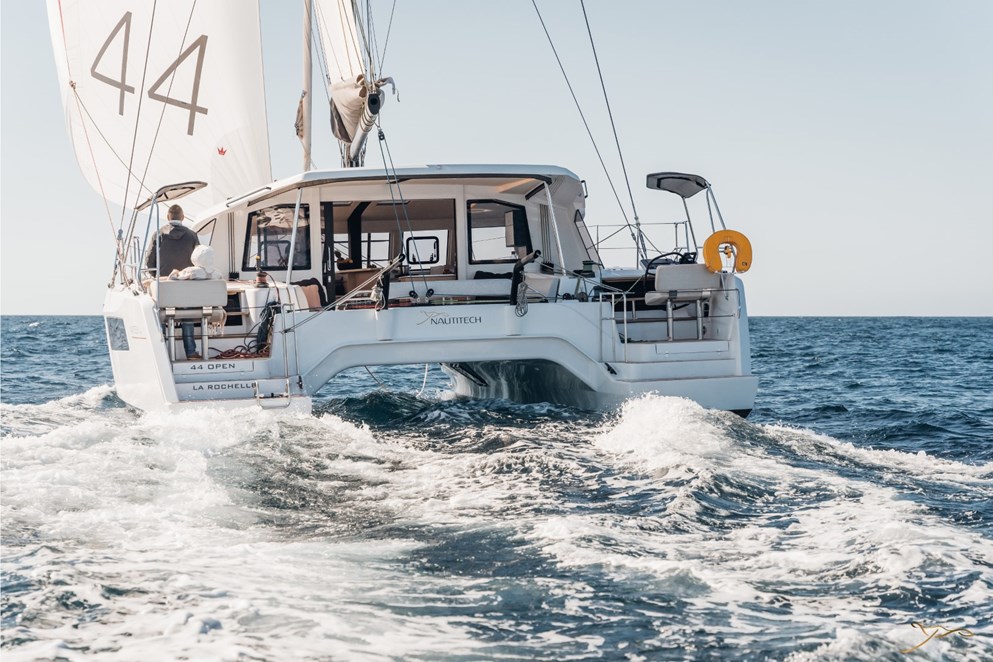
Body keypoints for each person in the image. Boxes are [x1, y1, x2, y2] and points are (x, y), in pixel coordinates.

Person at [145, 204, 201, 359]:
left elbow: (149, 260)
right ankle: (191, 352)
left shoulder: (158, 235)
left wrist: (157, 275)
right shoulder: (192, 235)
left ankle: (163, 352)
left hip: (164, 285)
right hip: (186, 284)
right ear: (182, 217)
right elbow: (199, 260)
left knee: (162, 317)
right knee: (187, 316)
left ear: (168, 217)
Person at [167, 245, 222, 360]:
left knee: (187, 318)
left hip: (192, 309)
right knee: (190, 313)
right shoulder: (217, 274)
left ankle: (190, 352)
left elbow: (172, 279)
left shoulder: (191, 271)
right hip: (209, 308)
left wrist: (175, 272)